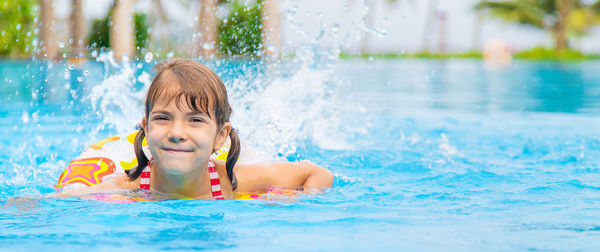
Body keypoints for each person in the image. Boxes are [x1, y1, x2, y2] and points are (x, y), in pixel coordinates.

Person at [57, 59, 333, 200]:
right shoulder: (126, 186)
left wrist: (299, 202)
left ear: (221, 137)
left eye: (196, 120)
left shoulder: (234, 181)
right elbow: (63, 200)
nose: (177, 131)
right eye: (163, 118)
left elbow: (318, 173)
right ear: (146, 127)